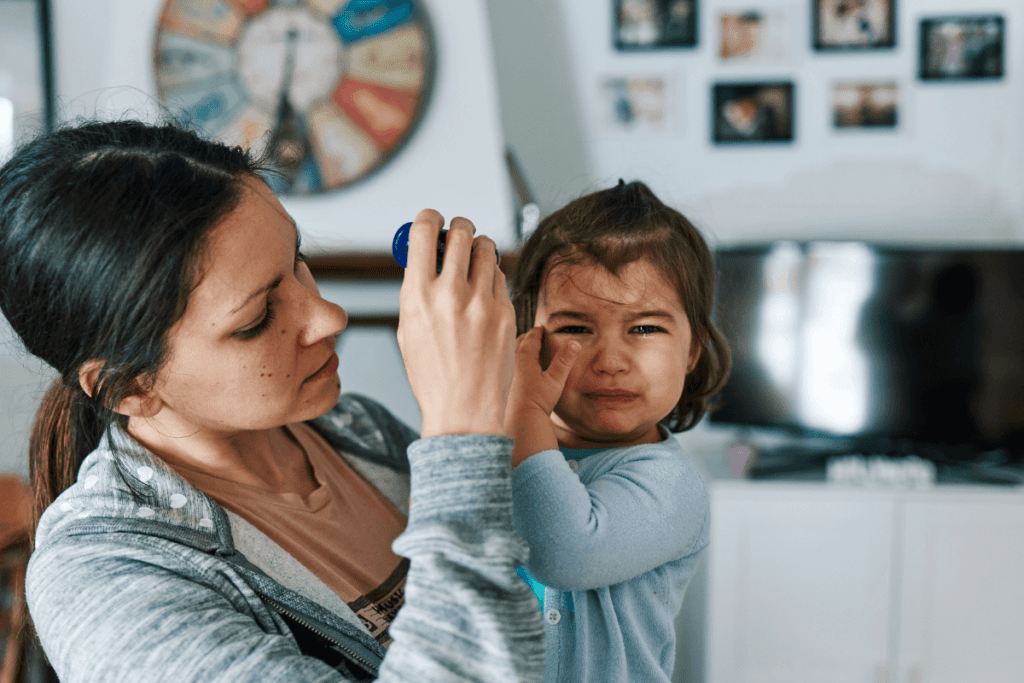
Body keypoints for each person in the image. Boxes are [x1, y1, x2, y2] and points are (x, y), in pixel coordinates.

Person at [0, 119, 544, 682]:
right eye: (257, 320)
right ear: (131, 386)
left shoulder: (359, 432)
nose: (330, 316)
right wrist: (461, 434)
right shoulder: (100, 581)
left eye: (298, 263)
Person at [504, 179, 731, 682]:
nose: (610, 361)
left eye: (646, 328)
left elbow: (565, 551)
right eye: (576, 329)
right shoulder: (502, 452)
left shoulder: (672, 484)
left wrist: (524, 414)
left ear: (692, 351)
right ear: (531, 340)